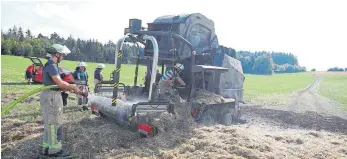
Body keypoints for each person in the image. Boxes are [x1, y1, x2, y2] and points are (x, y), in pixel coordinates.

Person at [39, 44, 83, 157]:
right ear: (57, 54)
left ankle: (45, 148)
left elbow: (57, 84)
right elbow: (59, 83)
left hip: (48, 94)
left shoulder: (49, 65)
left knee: (48, 124)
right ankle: (55, 151)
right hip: (52, 97)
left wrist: (67, 87)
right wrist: (73, 87)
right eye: (62, 55)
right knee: (55, 123)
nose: (63, 57)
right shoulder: (52, 66)